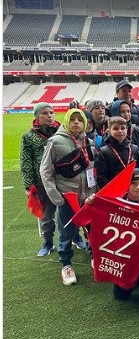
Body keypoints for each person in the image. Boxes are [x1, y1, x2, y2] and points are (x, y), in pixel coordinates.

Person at [85, 168, 139, 300]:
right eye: (134, 183)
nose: (138, 187)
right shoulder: (113, 203)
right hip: (122, 258)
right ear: (127, 184)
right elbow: (93, 227)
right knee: (120, 296)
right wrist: (90, 206)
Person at [40, 108, 96, 285]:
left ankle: (94, 255)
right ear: (66, 121)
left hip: (88, 197)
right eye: (73, 119)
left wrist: (95, 192)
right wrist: (57, 198)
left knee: (92, 229)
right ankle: (66, 265)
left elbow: (92, 169)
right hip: (67, 197)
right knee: (66, 232)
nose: (76, 122)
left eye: (80, 119)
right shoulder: (55, 142)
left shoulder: (89, 142)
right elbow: (46, 171)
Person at [20, 102, 61, 256]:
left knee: (68, 212)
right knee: (46, 216)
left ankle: (75, 237)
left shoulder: (62, 132)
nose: (49, 116)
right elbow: (26, 162)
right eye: (45, 113)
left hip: (63, 180)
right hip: (42, 182)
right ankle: (48, 242)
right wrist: (28, 185)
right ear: (37, 116)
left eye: (51, 112)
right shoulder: (28, 137)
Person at [95, 116, 139, 189]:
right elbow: (101, 177)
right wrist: (110, 191)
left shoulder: (135, 149)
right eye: (116, 128)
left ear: (126, 130)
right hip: (114, 191)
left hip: (134, 189)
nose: (120, 131)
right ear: (109, 131)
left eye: (123, 128)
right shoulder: (104, 152)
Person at [110, 79, 139, 151]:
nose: (127, 94)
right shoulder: (109, 110)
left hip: (138, 151)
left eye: (129, 91)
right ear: (117, 93)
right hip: (117, 152)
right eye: (124, 91)